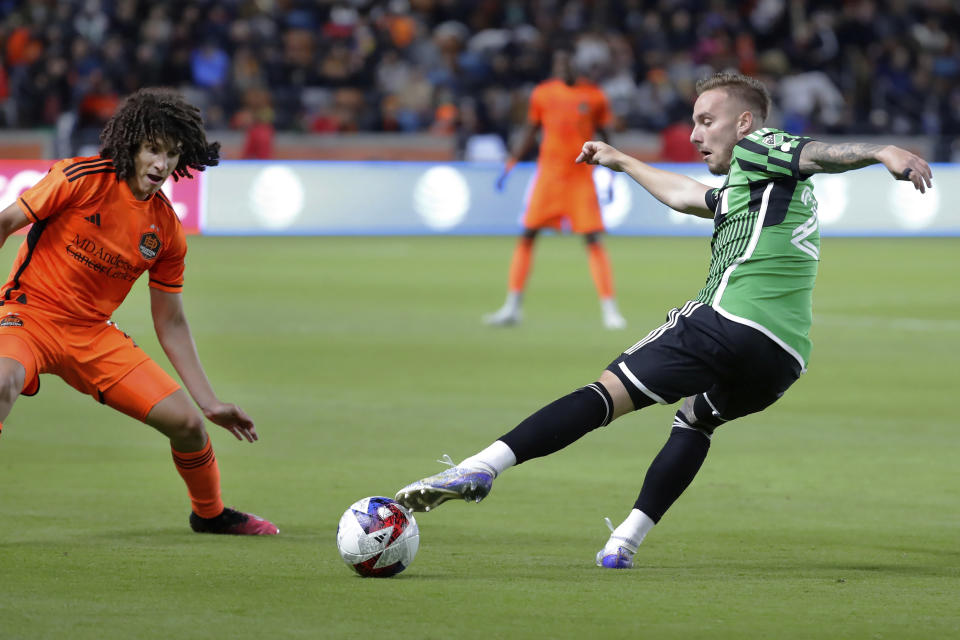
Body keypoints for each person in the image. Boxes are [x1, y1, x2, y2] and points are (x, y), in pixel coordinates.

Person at [395, 71, 932, 568]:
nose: (696, 135)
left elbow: (816, 152)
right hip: (783, 358)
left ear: (743, 122)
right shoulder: (764, 189)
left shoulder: (758, 145)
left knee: (604, 395)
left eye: (706, 120)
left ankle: (480, 467)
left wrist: (881, 151)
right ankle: (624, 540)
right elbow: (687, 196)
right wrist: (622, 160)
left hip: (726, 320)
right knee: (696, 420)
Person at [0, 88, 278, 536]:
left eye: (171, 154)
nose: (161, 164)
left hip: (92, 336)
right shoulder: (80, 178)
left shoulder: (166, 229)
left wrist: (209, 403)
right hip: (28, 315)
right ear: (132, 145)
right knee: (1, 380)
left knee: (187, 425)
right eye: (153, 149)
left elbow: (169, 320)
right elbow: (6, 222)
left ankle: (209, 515)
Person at [485, 47, 626, 330]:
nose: (562, 68)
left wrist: (613, 173)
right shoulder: (543, 94)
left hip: (579, 177)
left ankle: (610, 310)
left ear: (578, 65)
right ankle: (512, 306)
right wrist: (511, 165)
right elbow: (530, 131)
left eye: (567, 63)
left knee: (593, 239)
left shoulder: (594, 96)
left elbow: (606, 136)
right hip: (548, 177)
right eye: (558, 63)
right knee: (527, 235)